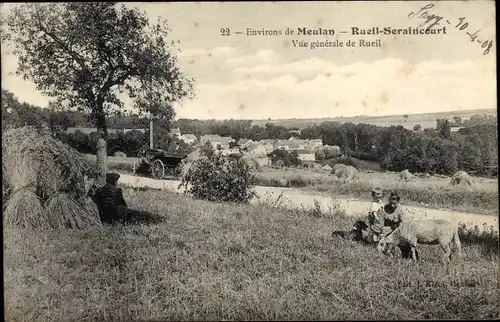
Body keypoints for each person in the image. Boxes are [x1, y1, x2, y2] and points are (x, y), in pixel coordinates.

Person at [91, 172, 162, 225]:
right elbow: (122, 203)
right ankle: (157, 218)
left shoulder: (99, 190)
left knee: (136, 215)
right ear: (114, 181)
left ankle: (155, 218)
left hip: (106, 215)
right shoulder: (117, 190)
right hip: (118, 213)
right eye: (116, 181)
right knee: (139, 214)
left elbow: (97, 200)